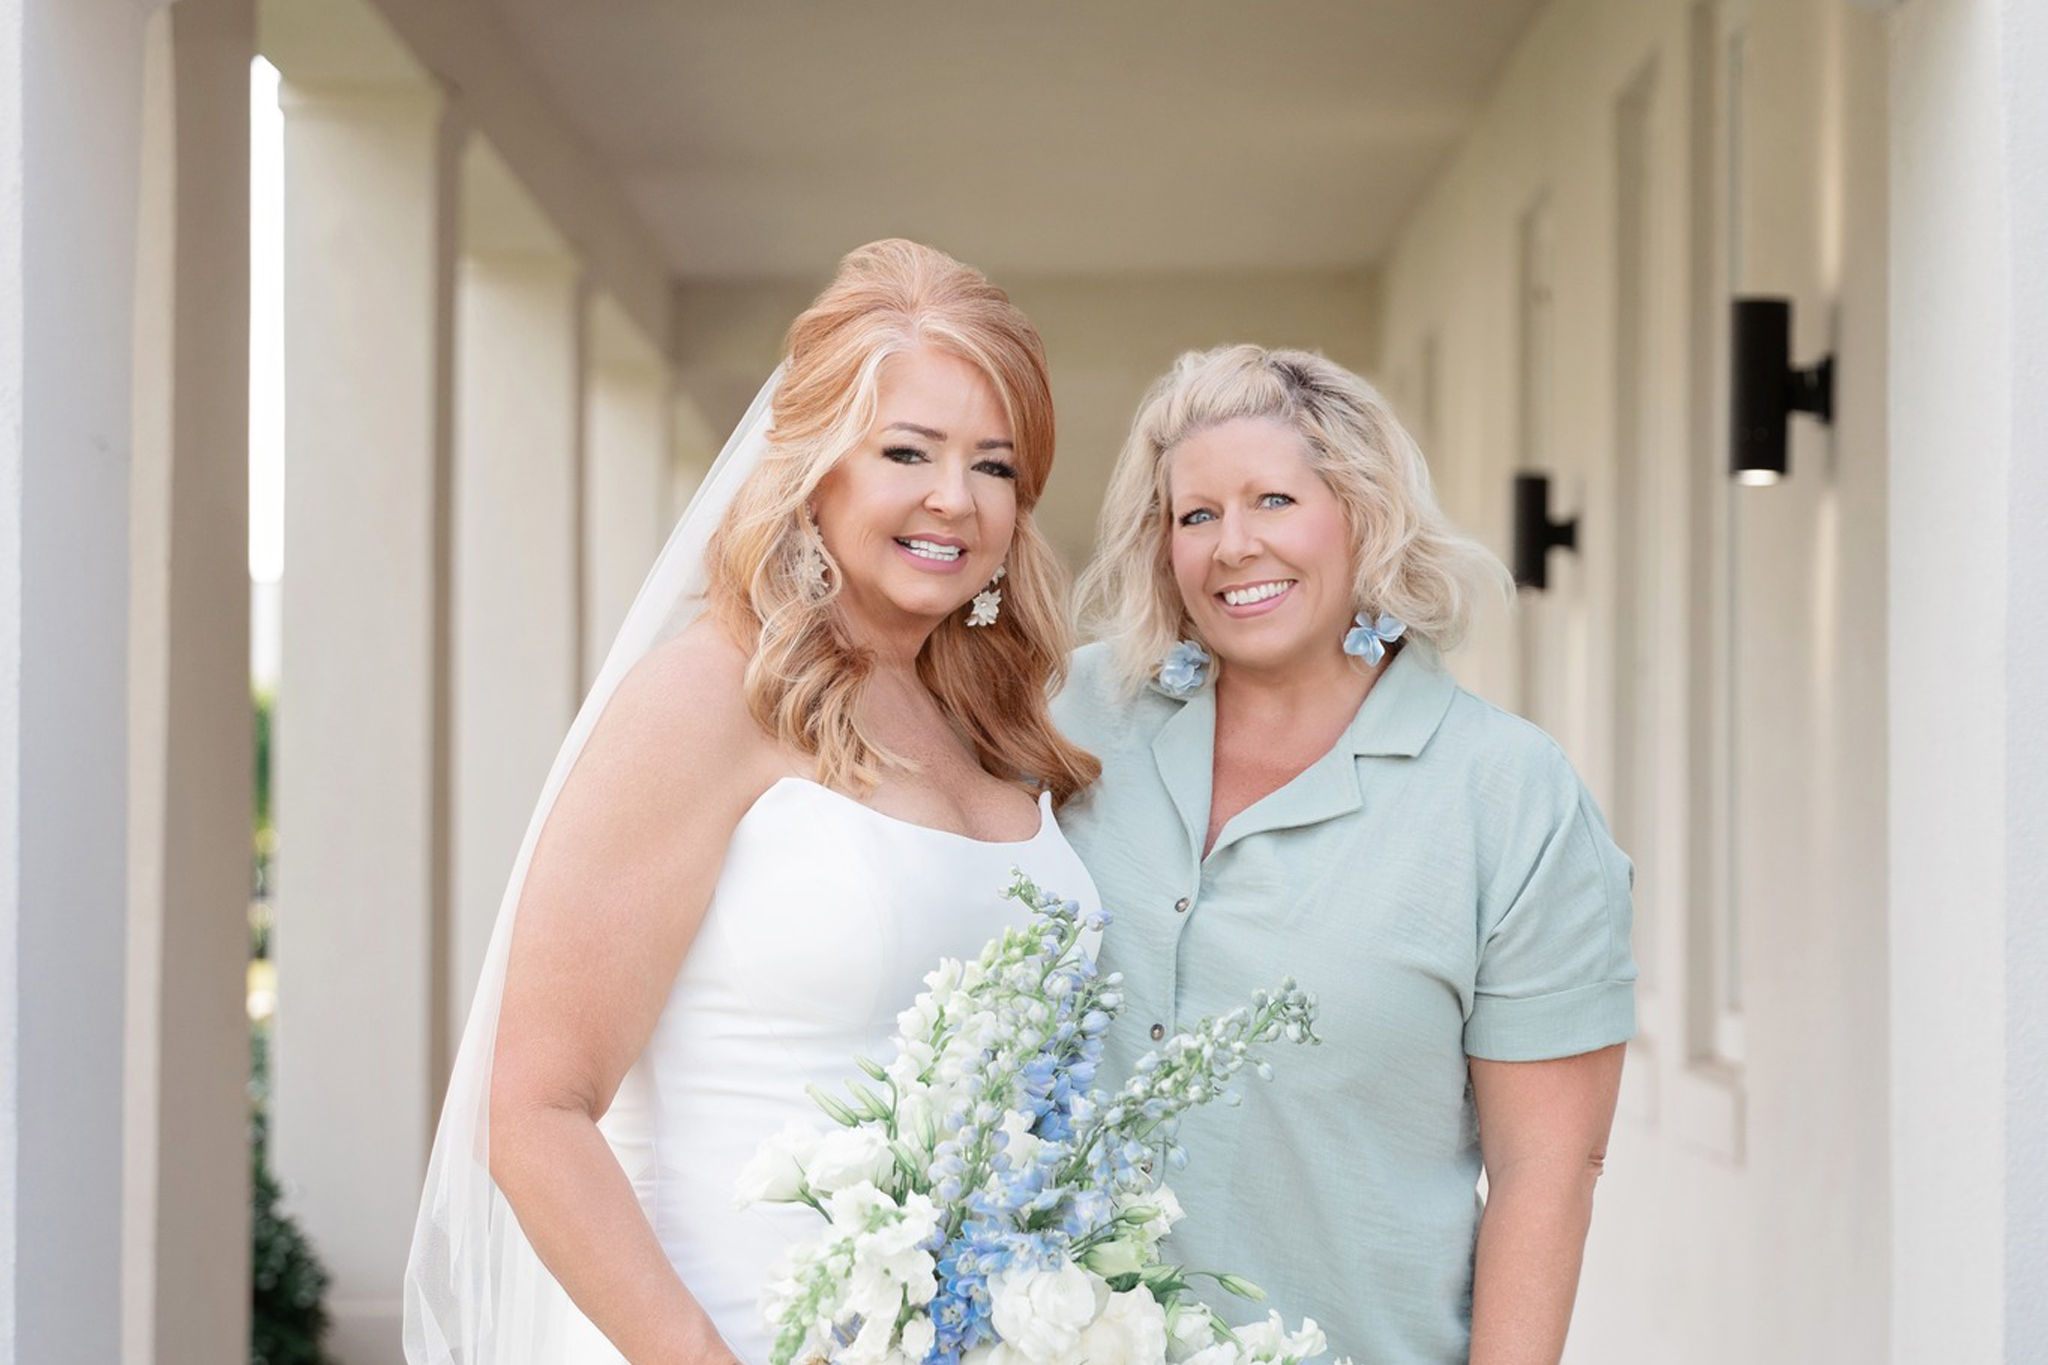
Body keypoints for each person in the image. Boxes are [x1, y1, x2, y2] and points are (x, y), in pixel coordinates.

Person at [404, 240, 1101, 1365]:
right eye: (907, 450)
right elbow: (531, 1109)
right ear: (814, 466)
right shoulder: (704, 695)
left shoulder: (993, 719)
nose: (953, 497)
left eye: (995, 465)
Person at [1052, 345, 1635, 1365]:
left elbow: (1548, 1169)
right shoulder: (1068, 718)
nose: (1233, 545)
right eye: (1196, 515)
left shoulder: (1507, 795)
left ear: (1363, 514)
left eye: (1273, 500)